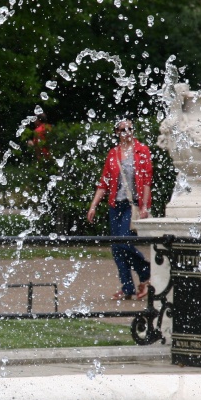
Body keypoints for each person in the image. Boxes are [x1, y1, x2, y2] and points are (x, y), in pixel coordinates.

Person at [86, 119, 152, 300]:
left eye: (130, 129)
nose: (127, 132)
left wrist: (144, 206)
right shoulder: (113, 153)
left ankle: (146, 273)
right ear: (117, 132)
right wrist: (93, 206)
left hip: (133, 205)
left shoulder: (142, 151)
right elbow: (104, 183)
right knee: (116, 248)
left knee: (123, 242)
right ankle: (128, 287)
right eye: (123, 129)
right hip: (116, 205)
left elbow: (147, 181)